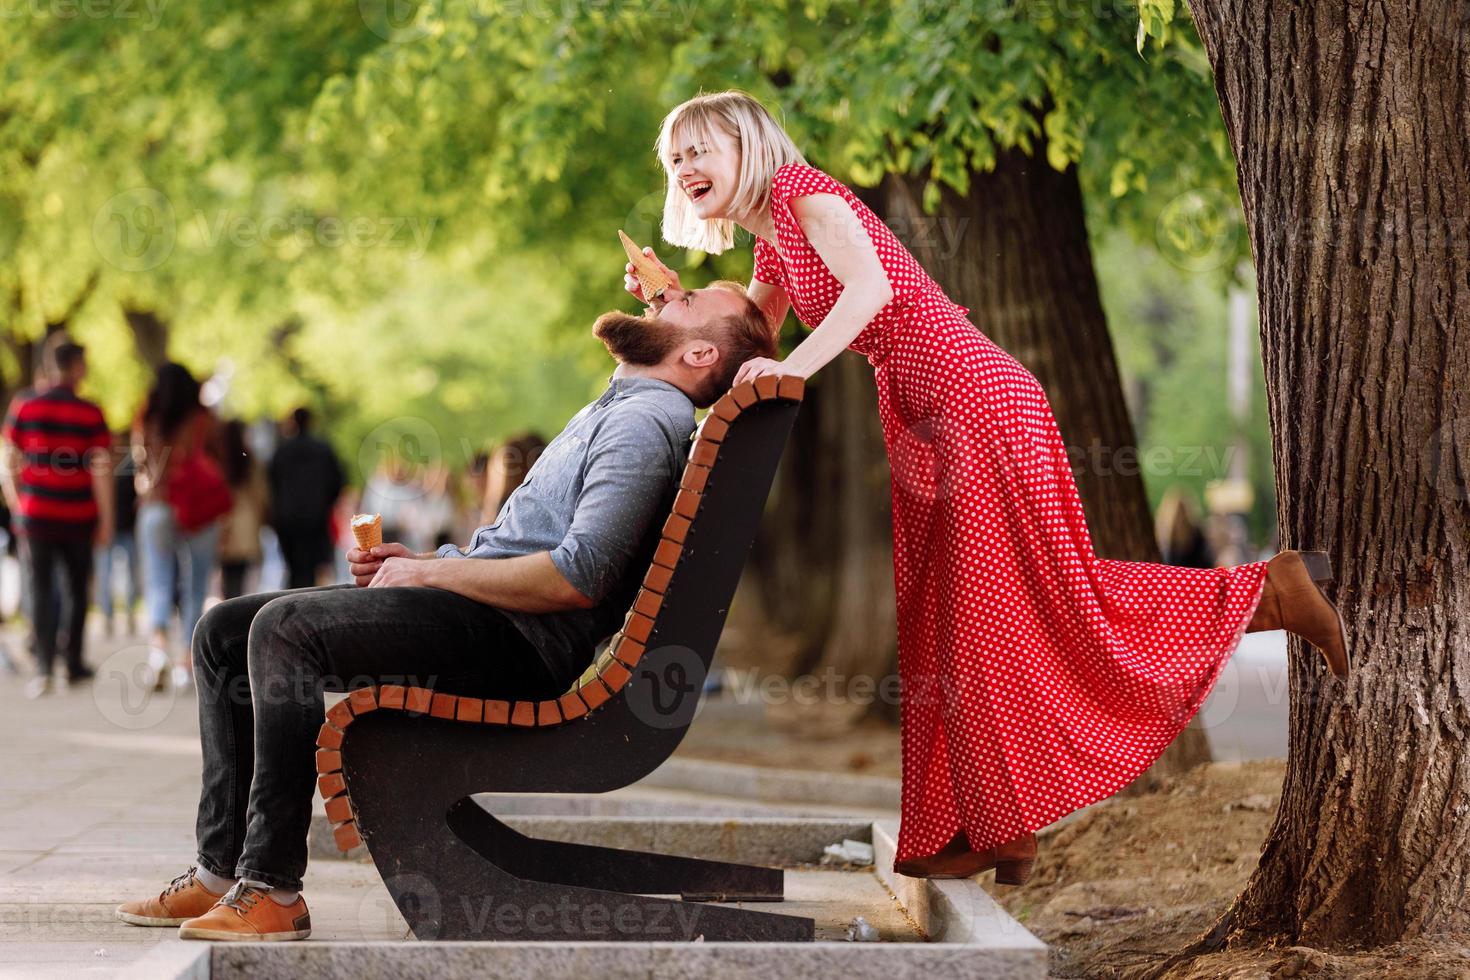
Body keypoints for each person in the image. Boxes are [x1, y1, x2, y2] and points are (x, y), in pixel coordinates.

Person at [630, 90, 1351, 885]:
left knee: (1035, 598)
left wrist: (793, 368)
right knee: (952, 619)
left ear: (751, 146)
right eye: (675, 159)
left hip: (972, 395)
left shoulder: (807, 195)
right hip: (920, 411)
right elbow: (747, 343)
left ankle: (1269, 596)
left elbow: (871, 293)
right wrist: (670, 307)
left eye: (701, 149)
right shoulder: (771, 245)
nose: (686, 168)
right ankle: (992, 828)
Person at [112, 282, 775, 942]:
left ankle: (273, 888)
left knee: (285, 632)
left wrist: (429, 572)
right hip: (485, 615)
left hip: (519, 641)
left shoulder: (643, 421)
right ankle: (218, 869)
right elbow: (527, 550)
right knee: (224, 631)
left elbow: (577, 577)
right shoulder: (626, 404)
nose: (666, 297)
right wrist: (428, 561)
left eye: (687, 302)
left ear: (694, 357)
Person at [0, 333, 114, 698]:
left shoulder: (24, 407)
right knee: (78, 589)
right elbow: (100, 469)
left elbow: (9, 460)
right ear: (77, 366)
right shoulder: (90, 412)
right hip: (78, 514)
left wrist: (18, 502)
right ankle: (74, 664)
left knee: (41, 587)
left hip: (36, 515)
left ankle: (45, 667)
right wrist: (107, 518)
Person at [134, 363, 225, 692]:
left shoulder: (148, 417)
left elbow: (140, 462)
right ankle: (186, 664)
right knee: (196, 586)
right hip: (199, 507)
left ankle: (158, 652)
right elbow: (220, 461)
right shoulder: (205, 419)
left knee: (158, 582)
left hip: (157, 507)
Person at [267, 408, 345, 590]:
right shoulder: (323, 450)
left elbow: (271, 486)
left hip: (288, 519)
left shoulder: (282, 452)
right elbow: (338, 482)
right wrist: (324, 504)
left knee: (294, 568)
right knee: (310, 569)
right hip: (315, 519)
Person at [96, 430, 142, 636]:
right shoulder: (99, 468)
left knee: (131, 574)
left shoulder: (129, 468)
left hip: (127, 529)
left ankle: (130, 612)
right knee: (105, 575)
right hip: (106, 531)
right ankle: (107, 615)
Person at [217, 419, 268, 600]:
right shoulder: (250, 461)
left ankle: (227, 611)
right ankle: (235, 613)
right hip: (246, 525)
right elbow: (261, 494)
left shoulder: (218, 460)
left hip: (223, 524)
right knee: (240, 579)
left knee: (226, 577)